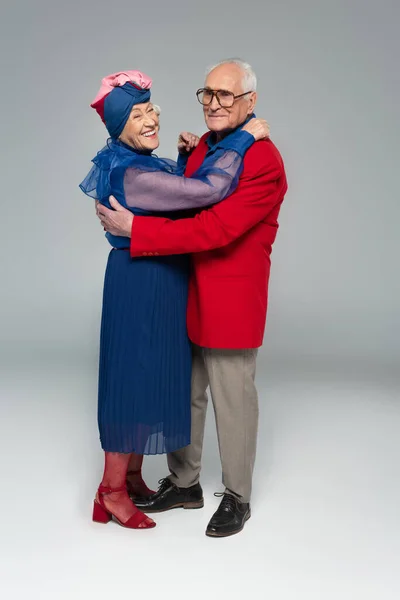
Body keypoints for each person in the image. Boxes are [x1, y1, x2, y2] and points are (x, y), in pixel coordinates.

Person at [97, 59, 288, 537]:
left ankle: (238, 496)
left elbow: (216, 226)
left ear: (250, 102)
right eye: (208, 94)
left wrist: (137, 231)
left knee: (232, 398)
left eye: (227, 95)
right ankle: (185, 483)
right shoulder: (206, 144)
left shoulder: (263, 159)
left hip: (229, 296)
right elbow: (184, 197)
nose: (215, 104)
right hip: (186, 288)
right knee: (187, 395)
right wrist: (188, 157)